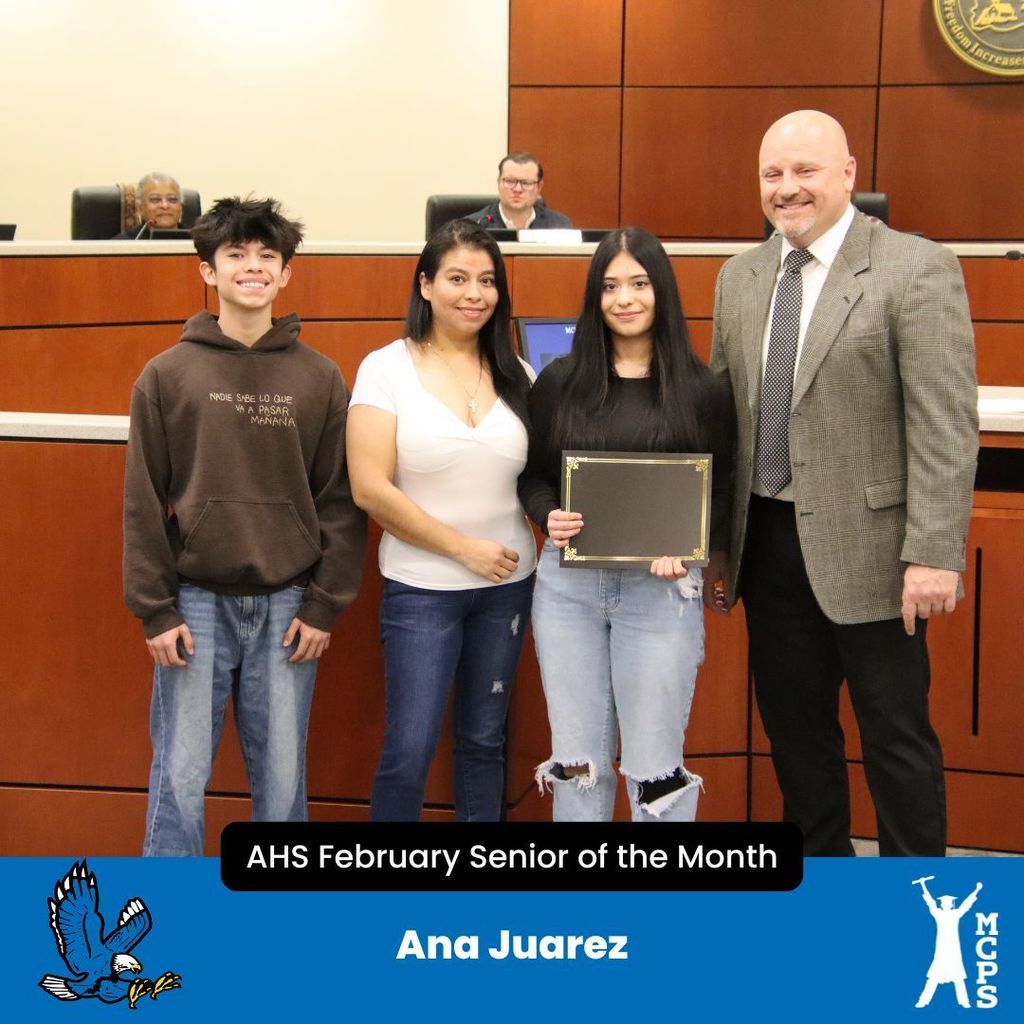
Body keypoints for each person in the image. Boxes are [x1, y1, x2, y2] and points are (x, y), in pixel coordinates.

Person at [708, 110, 978, 856]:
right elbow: (726, 421)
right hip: (766, 548)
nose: (787, 189)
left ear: (849, 174)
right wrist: (717, 547)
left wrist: (934, 551)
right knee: (798, 747)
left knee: (897, 744)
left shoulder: (914, 267)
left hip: (878, 556)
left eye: (805, 172)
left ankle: (912, 914)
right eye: (772, 174)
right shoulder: (740, 276)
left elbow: (944, 425)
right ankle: (824, 904)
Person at [124, 196, 367, 855]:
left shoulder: (320, 378)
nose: (252, 267)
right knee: (179, 773)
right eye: (236, 254)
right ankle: (169, 919)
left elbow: (339, 502)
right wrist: (154, 609)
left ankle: (278, 927)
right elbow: (143, 502)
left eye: (268, 257)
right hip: (193, 605)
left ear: (286, 274)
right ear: (208, 269)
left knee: (284, 781)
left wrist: (323, 606)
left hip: (290, 606)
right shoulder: (166, 375)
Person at [519, 227, 734, 821]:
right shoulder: (561, 382)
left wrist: (691, 548)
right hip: (568, 592)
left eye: (639, 283)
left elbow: (722, 493)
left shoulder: (703, 390)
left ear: (661, 290)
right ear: (595, 298)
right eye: (610, 286)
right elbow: (533, 478)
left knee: (655, 770)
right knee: (578, 766)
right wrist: (548, 516)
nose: (625, 299)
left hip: (659, 593)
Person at [346, 218, 536, 821]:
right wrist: (462, 549)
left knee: (484, 744)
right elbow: (370, 489)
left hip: (508, 588)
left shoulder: (521, 375)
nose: (473, 293)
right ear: (425, 285)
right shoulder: (386, 368)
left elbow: (541, 479)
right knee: (410, 747)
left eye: (486, 280)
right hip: (422, 590)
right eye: (456, 278)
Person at [915, 879, 983, 1008]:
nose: (946, 903)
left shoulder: (956, 914)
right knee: (933, 977)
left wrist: (976, 890)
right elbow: (930, 902)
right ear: (941, 904)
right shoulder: (938, 914)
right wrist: (923, 885)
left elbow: (966, 904)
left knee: (958, 978)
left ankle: (964, 1002)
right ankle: (922, 1001)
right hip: (941, 951)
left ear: (952, 904)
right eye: (944, 902)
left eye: (949, 902)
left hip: (953, 951)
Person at [467, 151, 572, 231]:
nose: (517, 189)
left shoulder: (559, 225)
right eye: (510, 181)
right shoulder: (473, 227)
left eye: (526, 183)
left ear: (539, 187)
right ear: (499, 183)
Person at [114, 172, 185, 238]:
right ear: (140, 208)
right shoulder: (121, 245)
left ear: (181, 207)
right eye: (155, 200)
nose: (165, 206)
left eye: (172, 199)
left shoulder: (194, 240)